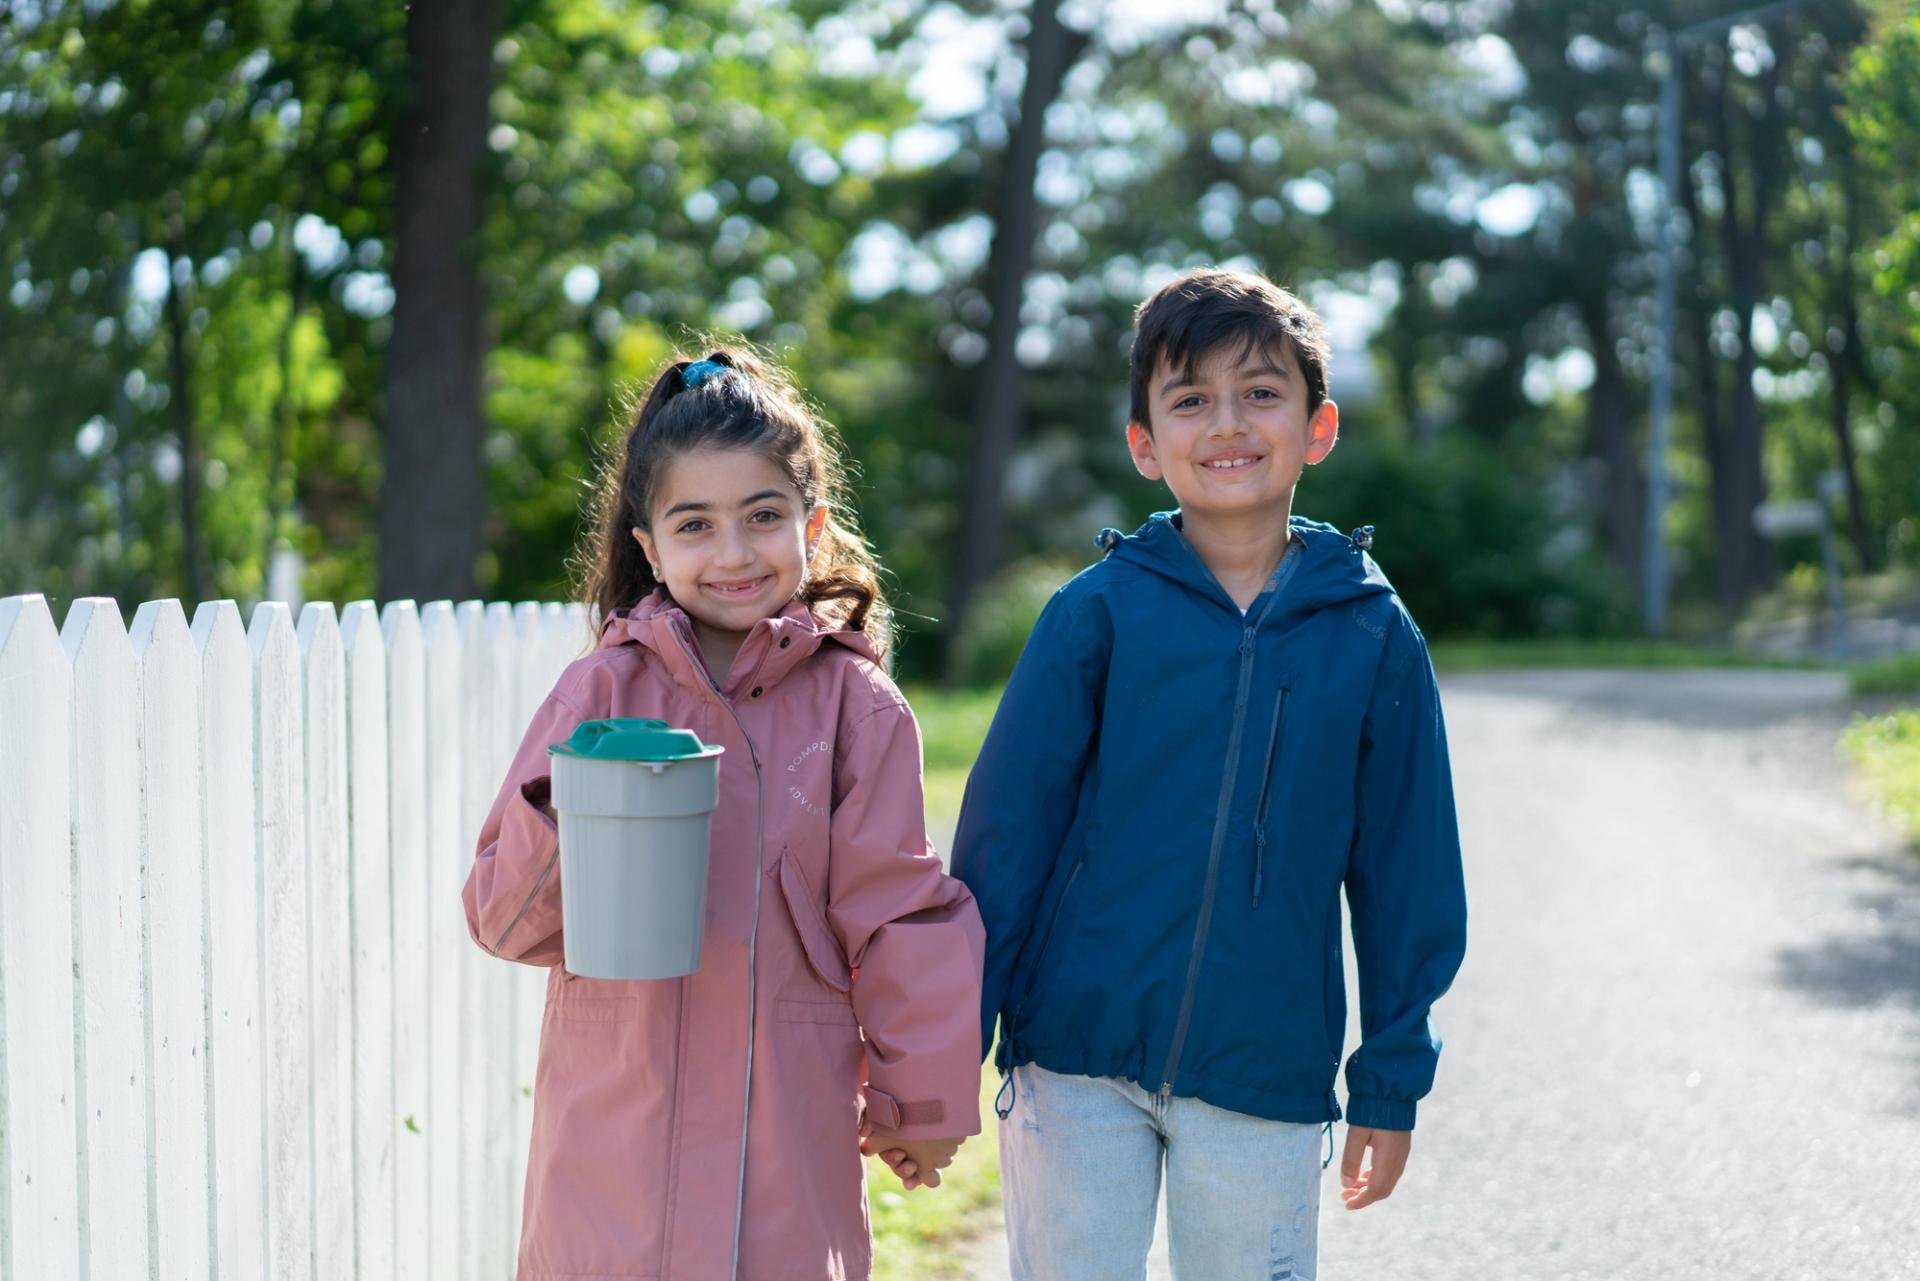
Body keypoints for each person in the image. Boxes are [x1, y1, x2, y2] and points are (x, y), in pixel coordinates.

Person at [951, 268, 1467, 1281]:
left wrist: (1391, 1082)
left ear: (1317, 427)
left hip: (1263, 1070)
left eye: (1260, 393)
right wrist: (947, 1045)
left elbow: (1410, 875)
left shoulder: (1373, 636)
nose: (1227, 424)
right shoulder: (1094, 616)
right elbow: (1002, 842)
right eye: (1190, 400)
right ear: (1146, 444)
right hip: (1074, 1056)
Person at [464, 345, 984, 1281]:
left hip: (782, 1156)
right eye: (695, 525)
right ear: (650, 547)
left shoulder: (853, 707)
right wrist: (564, 800)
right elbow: (504, 919)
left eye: (763, 516)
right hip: (614, 1151)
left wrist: (921, 1100)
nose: (734, 552)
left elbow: (900, 913)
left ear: (811, 525)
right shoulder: (599, 692)